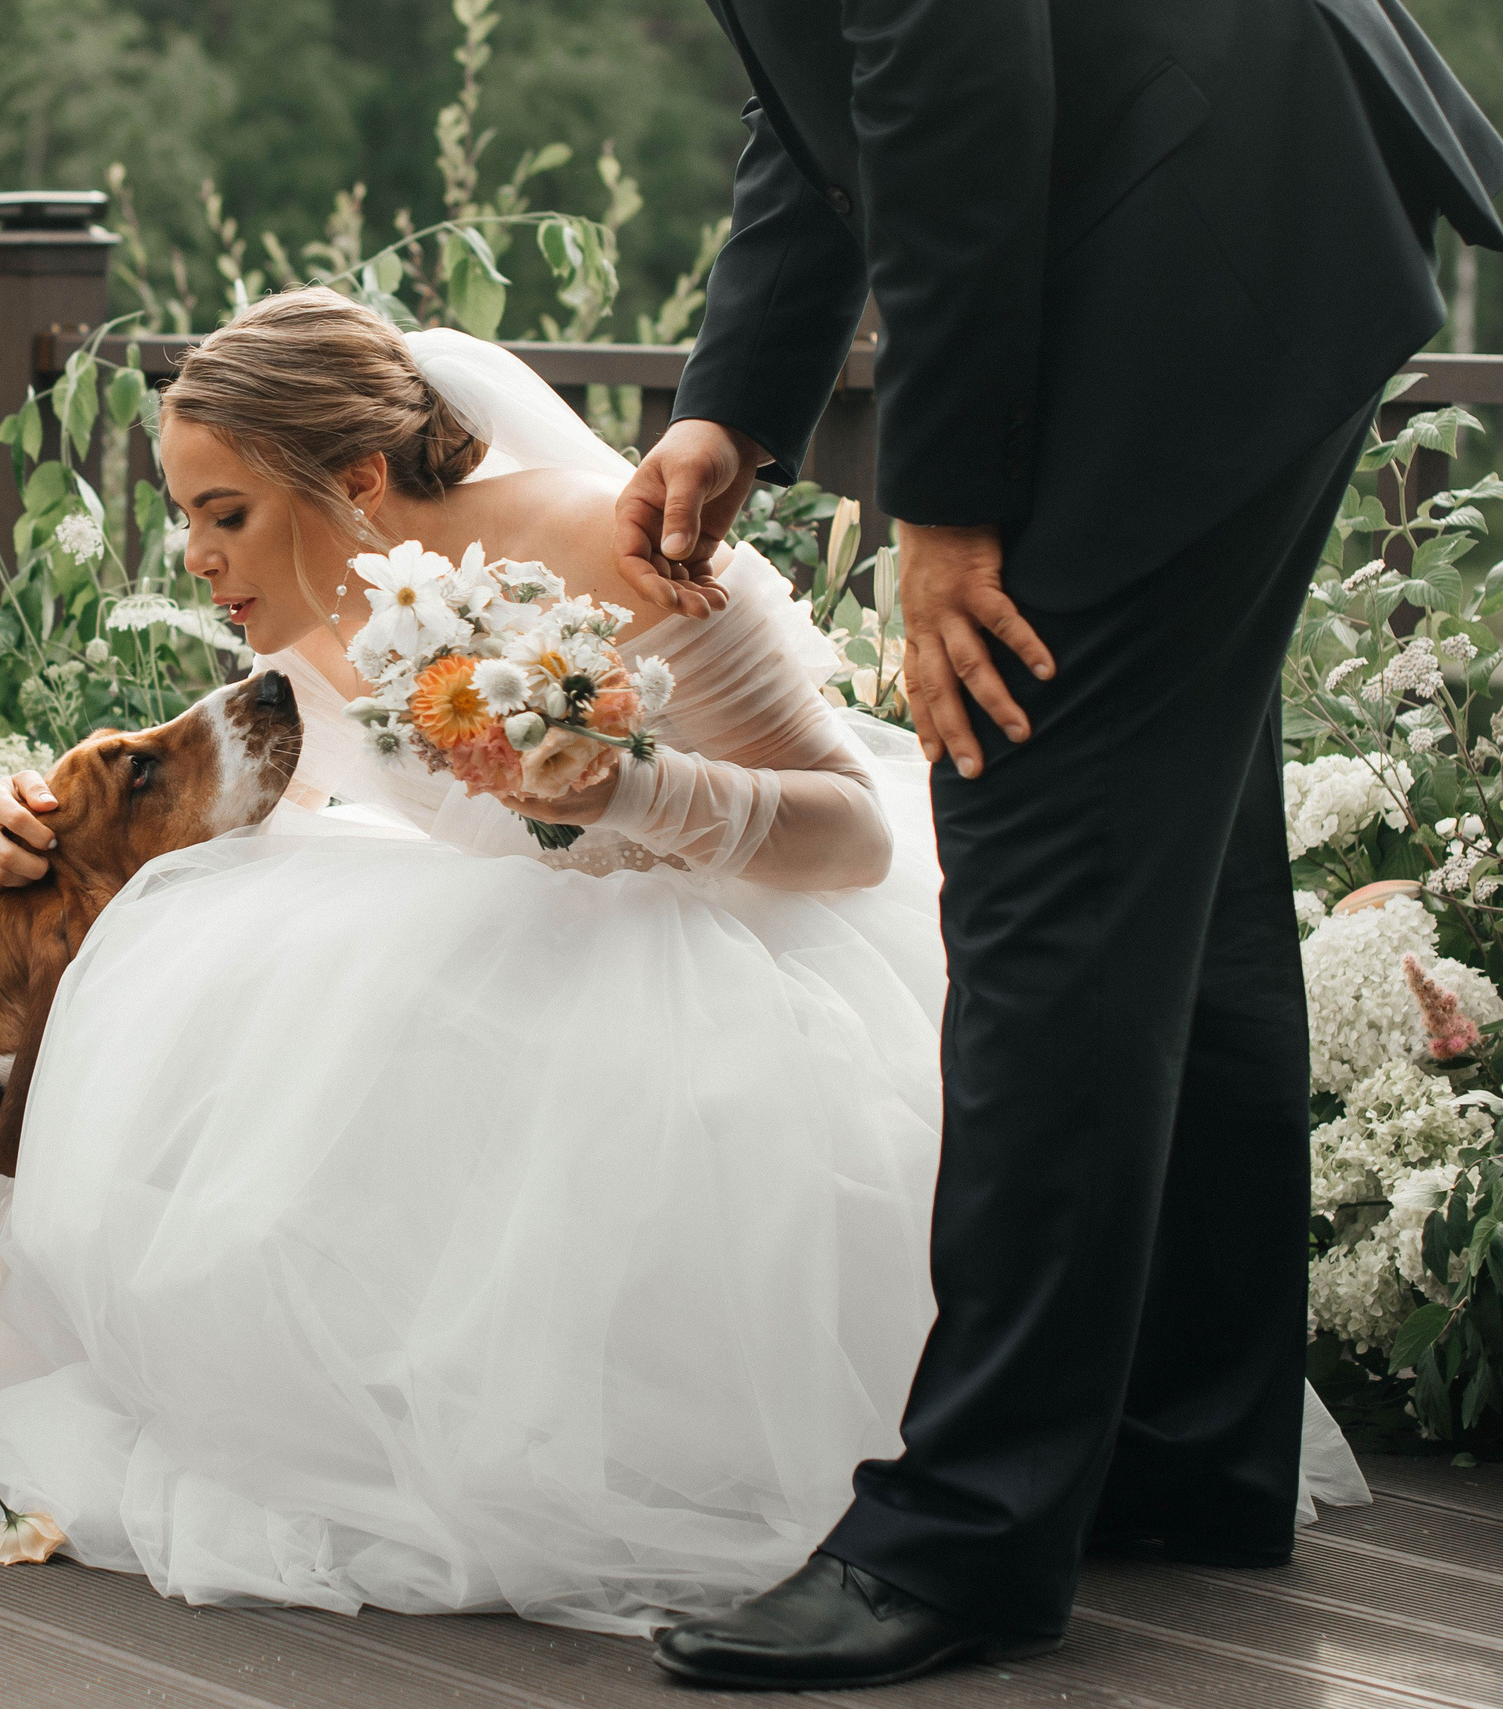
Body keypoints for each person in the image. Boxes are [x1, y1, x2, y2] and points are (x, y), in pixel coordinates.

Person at [0, 287, 1368, 1642]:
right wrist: (9, 813)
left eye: (224, 515)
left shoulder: (631, 555)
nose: (198, 558)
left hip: (724, 960)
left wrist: (635, 791)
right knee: (242, 1019)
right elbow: (230, 777)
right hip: (459, 930)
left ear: (354, 481)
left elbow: (851, 831)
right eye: (188, 517)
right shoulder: (316, 605)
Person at [606, 0, 1503, 1689]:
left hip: (1195, 225)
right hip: (1231, 196)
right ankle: (1188, 1443)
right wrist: (739, 395)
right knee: (1184, 858)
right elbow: (834, 71)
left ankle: (965, 1530)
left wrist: (948, 507)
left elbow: (948, 74)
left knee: (1045, 857)